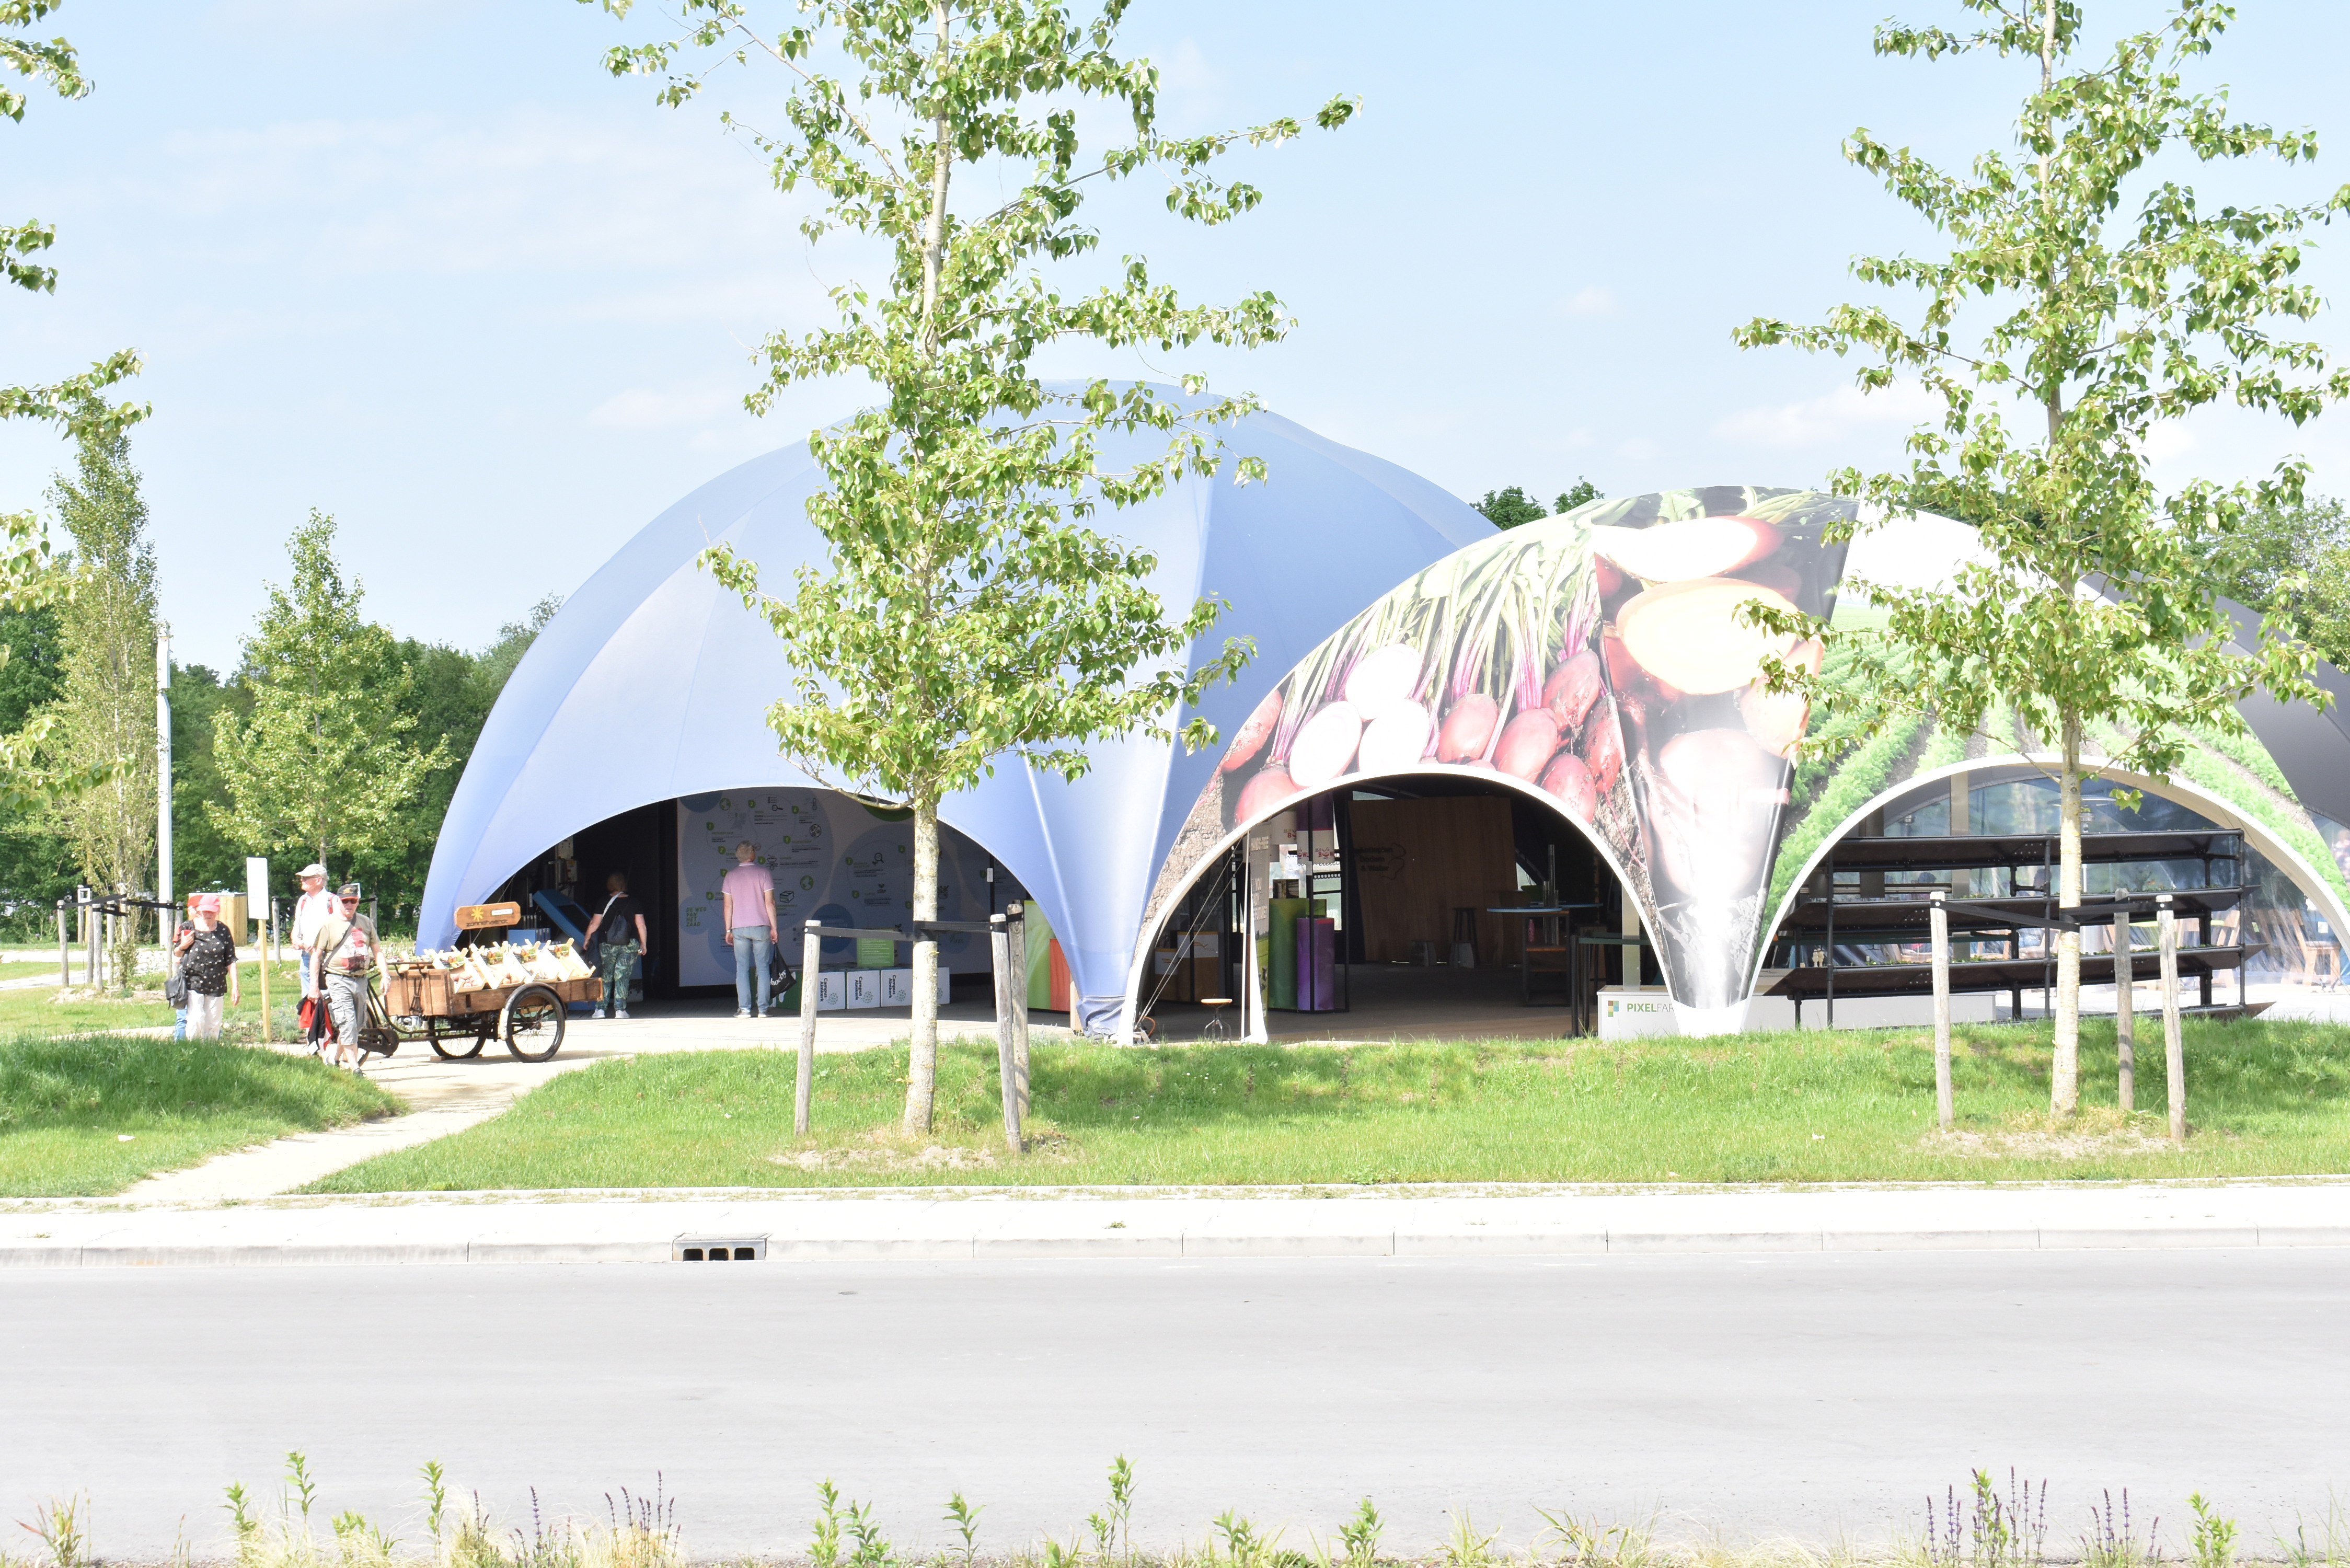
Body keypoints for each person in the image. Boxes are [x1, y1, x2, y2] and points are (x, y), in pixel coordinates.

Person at [309, 882, 379, 1070]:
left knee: (356, 1025)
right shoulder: (328, 924)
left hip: (361, 979)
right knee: (347, 1024)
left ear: (358, 902)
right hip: (338, 979)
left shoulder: (365, 922)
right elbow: (316, 956)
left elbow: (377, 951)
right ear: (338, 902)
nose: (349, 904)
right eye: (345, 901)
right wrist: (314, 987)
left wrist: (386, 976)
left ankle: (334, 1059)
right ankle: (356, 1069)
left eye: (353, 901)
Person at [721, 840, 779, 1018]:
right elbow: (770, 903)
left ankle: (745, 1009)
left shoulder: (730, 876)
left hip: (739, 927)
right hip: (761, 926)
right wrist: (774, 928)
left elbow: (728, 906)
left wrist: (728, 930)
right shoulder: (764, 873)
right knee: (763, 968)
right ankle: (763, 1009)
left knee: (742, 968)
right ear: (752, 854)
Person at [584, 871, 648, 1020]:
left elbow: (594, 924)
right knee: (622, 975)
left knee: (606, 975)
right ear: (624, 884)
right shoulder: (634, 902)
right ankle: (620, 1010)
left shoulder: (603, 901)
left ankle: (600, 1009)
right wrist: (643, 943)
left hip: (607, 943)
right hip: (629, 943)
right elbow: (641, 924)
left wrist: (587, 939)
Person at [180, 894, 240, 1040]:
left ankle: (211, 1050)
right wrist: (183, 945)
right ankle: (194, 1049)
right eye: (205, 911)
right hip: (193, 981)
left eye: (212, 911)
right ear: (199, 910)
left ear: (218, 910)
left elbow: (231, 960)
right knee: (196, 1019)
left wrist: (235, 987)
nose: (208, 914)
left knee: (213, 1023)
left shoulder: (223, 930)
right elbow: (177, 953)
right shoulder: (188, 927)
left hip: (217, 982)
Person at [289, 863, 336, 999]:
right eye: (302, 878)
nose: (302, 880)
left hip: (328, 958)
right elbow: (297, 924)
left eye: (306, 878)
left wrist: (319, 945)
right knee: (308, 998)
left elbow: (340, 930)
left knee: (329, 998)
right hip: (306, 956)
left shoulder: (332, 901)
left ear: (319, 880)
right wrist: (295, 939)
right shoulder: (303, 900)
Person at [168, 913, 197, 1041]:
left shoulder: (214, 928)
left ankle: (208, 1047)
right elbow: (176, 957)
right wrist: (184, 946)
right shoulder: (186, 927)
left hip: (207, 981)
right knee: (182, 1016)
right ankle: (179, 1045)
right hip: (186, 980)